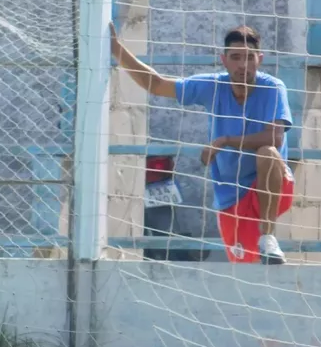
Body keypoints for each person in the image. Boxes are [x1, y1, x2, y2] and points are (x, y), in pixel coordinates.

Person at [109, 22, 293, 264]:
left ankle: (268, 236)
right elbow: (156, 84)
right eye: (236, 57)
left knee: (267, 152)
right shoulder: (213, 86)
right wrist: (116, 48)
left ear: (259, 59)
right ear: (224, 60)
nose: (243, 65)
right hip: (232, 195)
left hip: (271, 187)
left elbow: (275, 138)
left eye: (249, 57)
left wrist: (225, 141)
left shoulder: (273, 88)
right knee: (248, 272)